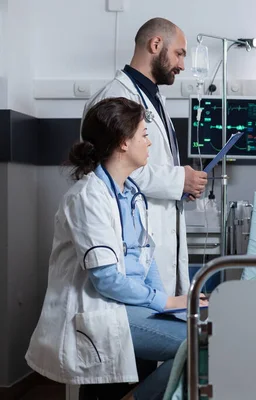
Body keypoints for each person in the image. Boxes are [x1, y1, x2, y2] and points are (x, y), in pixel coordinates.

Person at [25, 97, 207, 400]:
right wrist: (164, 302)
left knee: (201, 328)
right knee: (199, 343)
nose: (148, 143)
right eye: (144, 135)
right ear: (124, 143)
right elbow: (107, 279)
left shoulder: (129, 193)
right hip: (103, 310)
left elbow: (144, 256)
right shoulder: (87, 198)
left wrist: (171, 303)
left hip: (129, 306)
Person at [82, 17, 207, 297]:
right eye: (179, 53)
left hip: (159, 230)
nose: (182, 65)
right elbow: (116, 168)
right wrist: (179, 180)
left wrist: (180, 185)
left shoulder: (154, 98)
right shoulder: (114, 98)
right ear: (155, 44)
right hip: (131, 241)